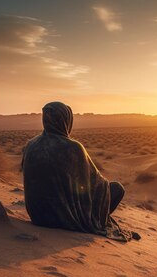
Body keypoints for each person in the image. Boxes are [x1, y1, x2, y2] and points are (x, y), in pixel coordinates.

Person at [22, 102, 134, 241]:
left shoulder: (30, 144)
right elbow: (97, 185)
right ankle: (97, 221)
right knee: (117, 189)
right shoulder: (74, 148)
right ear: (66, 120)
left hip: (38, 216)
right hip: (62, 219)